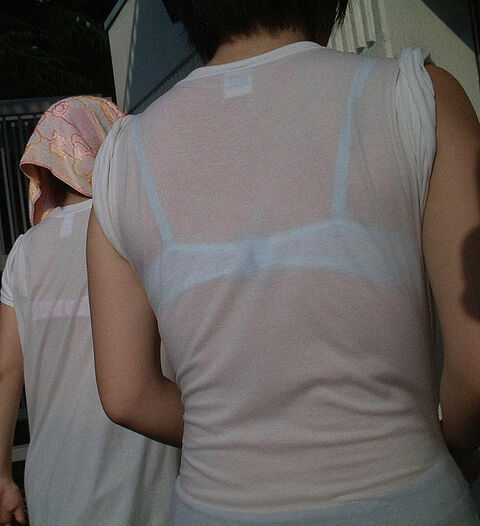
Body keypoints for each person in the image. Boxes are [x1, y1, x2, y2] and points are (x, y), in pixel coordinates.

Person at [86, 1, 480, 524]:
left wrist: (247, 441)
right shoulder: (420, 96)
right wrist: (444, 454)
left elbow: (126, 395)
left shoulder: (118, 161)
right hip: (408, 498)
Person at [0, 96, 180, 526]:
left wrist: (3, 474)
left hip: (53, 488)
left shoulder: (24, 251)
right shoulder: (138, 225)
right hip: (143, 488)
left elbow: (6, 368)